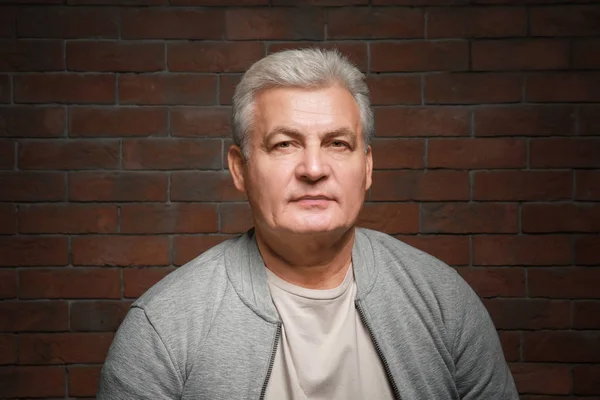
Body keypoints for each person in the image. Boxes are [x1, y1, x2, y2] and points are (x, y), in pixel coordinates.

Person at [97, 48, 518, 400]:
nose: (314, 169)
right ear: (240, 168)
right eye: (284, 144)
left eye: (338, 143)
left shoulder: (444, 302)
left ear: (367, 166)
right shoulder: (164, 329)